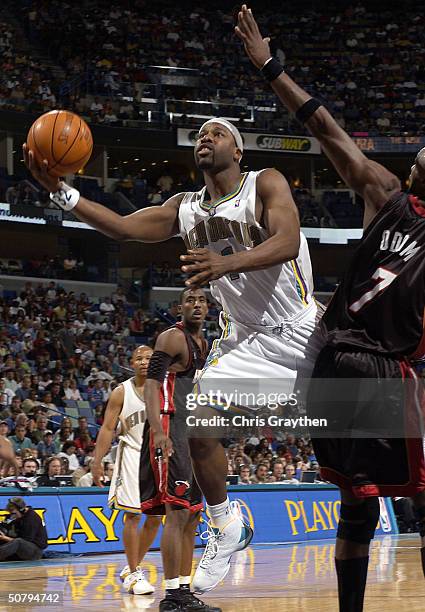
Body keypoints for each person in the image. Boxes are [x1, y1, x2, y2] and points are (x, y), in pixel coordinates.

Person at [24, 83, 324, 593]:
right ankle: (226, 524)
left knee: (363, 423)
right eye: (200, 134)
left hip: (298, 329)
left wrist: (225, 262)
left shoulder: (265, 182)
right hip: (246, 337)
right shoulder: (185, 208)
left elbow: (288, 239)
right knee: (195, 422)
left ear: (238, 149)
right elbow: (121, 228)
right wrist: (62, 192)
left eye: (216, 133)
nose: (204, 139)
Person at [235, 5, 425, 611]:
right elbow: (325, 129)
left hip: (331, 365)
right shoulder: (386, 192)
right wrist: (270, 67)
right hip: (370, 367)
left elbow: (327, 131)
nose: (418, 152)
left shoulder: (386, 194)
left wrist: (270, 67)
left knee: (357, 506)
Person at [142, 287, 219, 612]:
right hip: (170, 426)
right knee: (175, 512)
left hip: (192, 431)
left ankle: (184, 590)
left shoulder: (205, 343)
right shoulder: (171, 339)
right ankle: (172, 595)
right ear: (180, 307)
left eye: (202, 300)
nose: (197, 305)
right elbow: (151, 384)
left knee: (191, 516)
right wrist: (159, 431)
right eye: (190, 300)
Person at [92, 345, 160, 596]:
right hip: (132, 454)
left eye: (149, 358)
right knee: (133, 515)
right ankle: (133, 573)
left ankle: (133, 566)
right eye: (138, 358)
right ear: (131, 363)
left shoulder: (166, 388)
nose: (144, 362)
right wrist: (97, 461)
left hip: (159, 458)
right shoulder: (122, 392)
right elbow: (107, 429)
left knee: (155, 518)